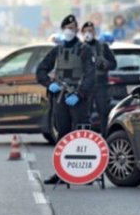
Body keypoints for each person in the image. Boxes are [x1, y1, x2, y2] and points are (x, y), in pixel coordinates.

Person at [36, 14, 96, 185]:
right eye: (67, 28)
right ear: (63, 30)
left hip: (77, 99)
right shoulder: (57, 50)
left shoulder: (85, 50)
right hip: (61, 98)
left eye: (73, 28)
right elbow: (40, 71)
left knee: (80, 135)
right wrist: (49, 84)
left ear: (77, 30)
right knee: (62, 135)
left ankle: (85, 173)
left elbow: (91, 76)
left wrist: (80, 94)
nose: (70, 31)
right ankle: (62, 172)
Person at [81, 21, 117, 135]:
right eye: (85, 31)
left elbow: (113, 64)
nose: (88, 33)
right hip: (86, 85)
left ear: (94, 32)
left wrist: (105, 63)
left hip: (101, 85)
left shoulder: (102, 46)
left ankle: (104, 139)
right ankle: (85, 138)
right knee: (85, 114)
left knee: (103, 112)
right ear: (82, 33)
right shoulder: (79, 47)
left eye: (90, 31)